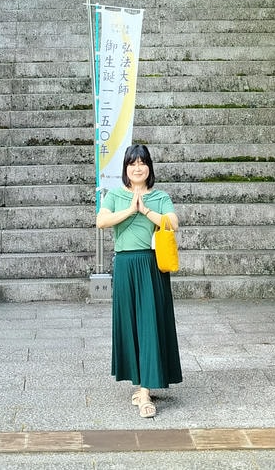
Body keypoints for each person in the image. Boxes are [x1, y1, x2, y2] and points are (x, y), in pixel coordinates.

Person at [95, 143, 182, 417]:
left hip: (150, 265)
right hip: (125, 265)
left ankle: (145, 393)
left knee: (149, 325)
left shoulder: (160, 197)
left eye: (142, 163)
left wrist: (145, 211)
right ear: (126, 168)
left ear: (149, 167)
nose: (137, 168)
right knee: (131, 324)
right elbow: (101, 221)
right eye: (132, 163)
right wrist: (130, 210)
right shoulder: (115, 195)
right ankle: (140, 381)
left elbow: (173, 222)